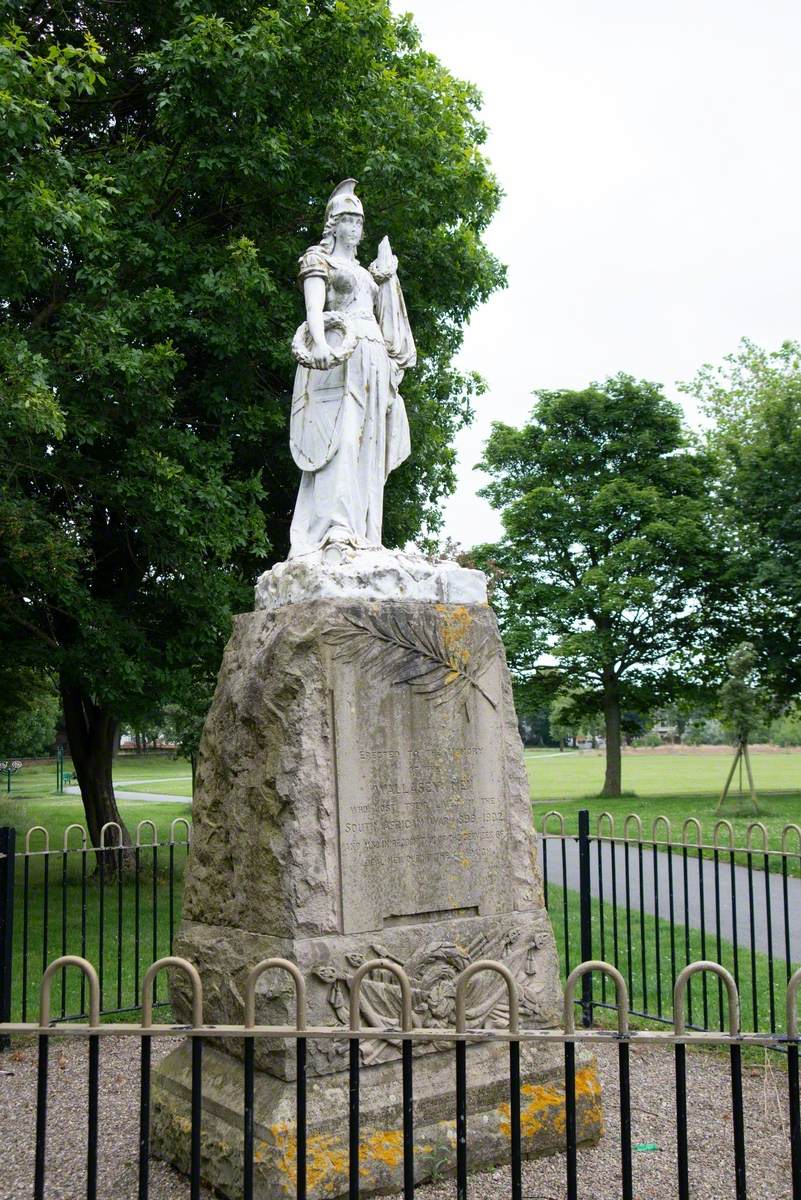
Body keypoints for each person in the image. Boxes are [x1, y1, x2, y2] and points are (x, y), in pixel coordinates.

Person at [288, 179, 416, 558]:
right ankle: (334, 528)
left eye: (359, 221)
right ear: (334, 222)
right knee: (340, 439)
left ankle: (364, 532)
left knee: (368, 445)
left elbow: (383, 312)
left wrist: (387, 277)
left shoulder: (366, 272)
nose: (356, 227)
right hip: (337, 361)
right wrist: (322, 345)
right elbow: (314, 310)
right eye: (349, 219)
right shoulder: (319, 260)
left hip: (372, 357)